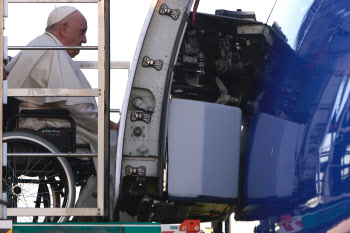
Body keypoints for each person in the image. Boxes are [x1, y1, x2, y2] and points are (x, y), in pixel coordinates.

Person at [5, 6, 117, 210]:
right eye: (82, 31)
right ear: (64, 29)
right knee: (114, 146)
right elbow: (78, 107)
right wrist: (107, 124)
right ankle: (90, 210)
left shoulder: (43, 46)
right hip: (45, 126)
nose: (84, 40)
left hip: (46, 122)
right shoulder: (51, 50)